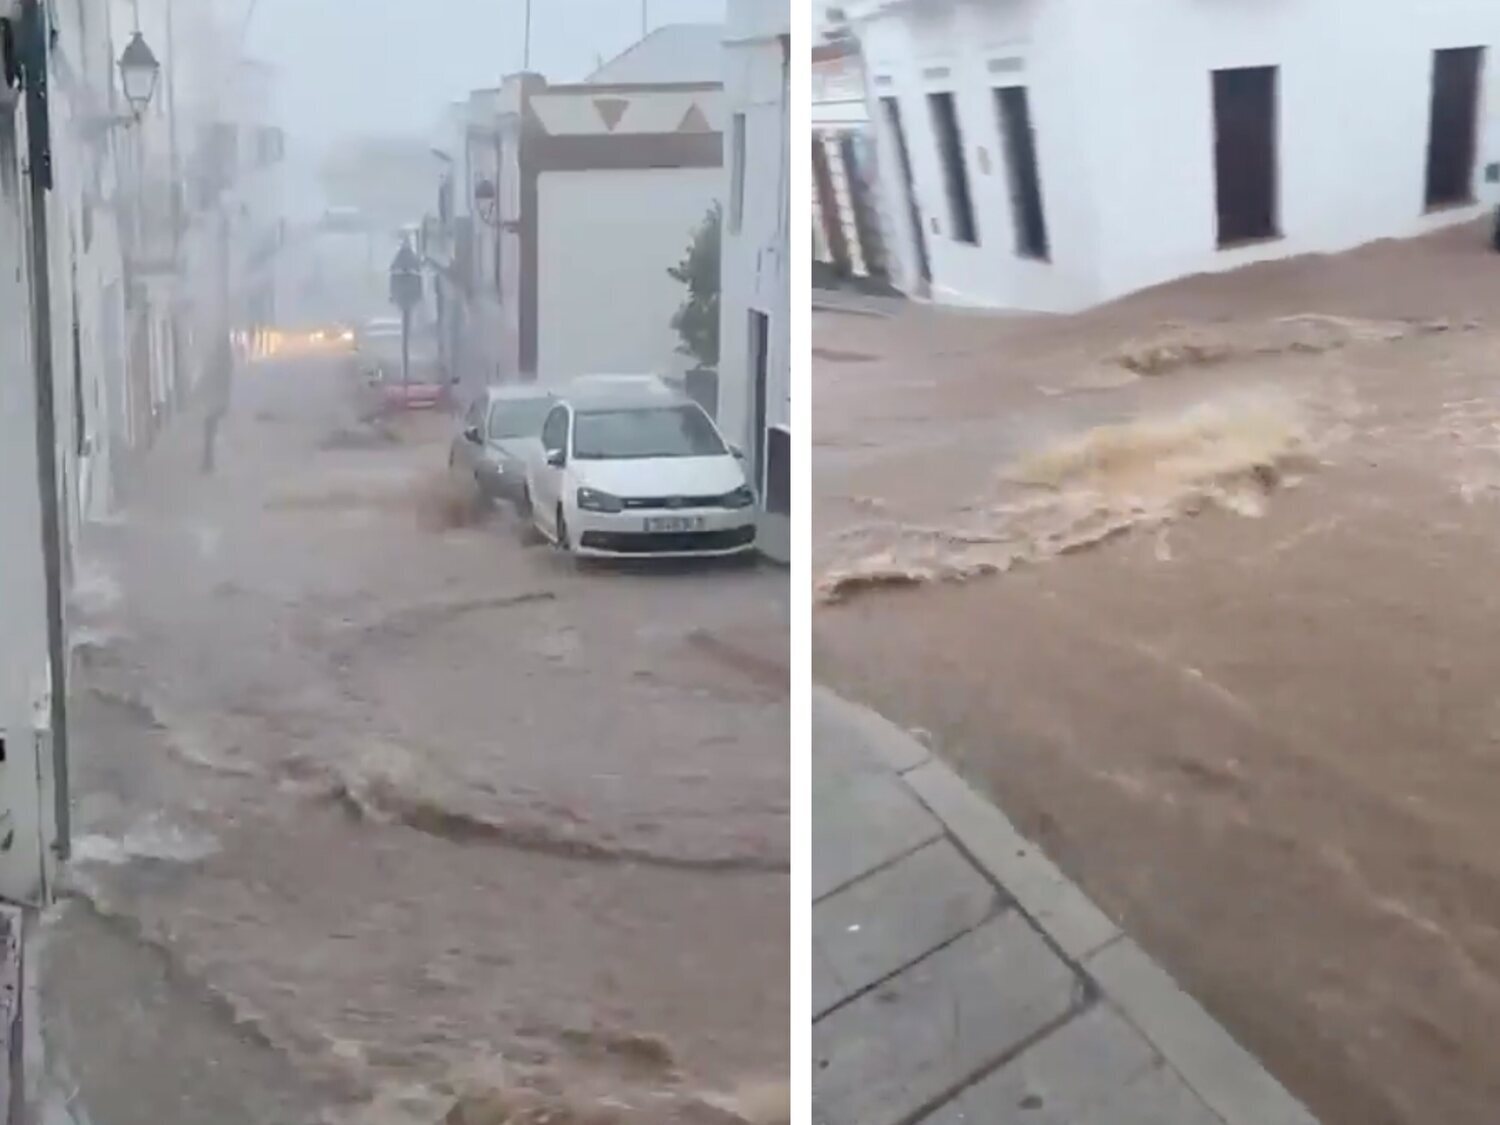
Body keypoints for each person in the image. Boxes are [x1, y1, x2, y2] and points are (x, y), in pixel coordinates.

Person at [201, 332, 235, 474]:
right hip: (216, 398)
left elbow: (214, 376)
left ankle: (210, 462)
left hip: (214, 399)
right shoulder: (225, 359)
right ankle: (210, 461)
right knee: (212, 429)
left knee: (211, 429)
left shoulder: (218, 359)